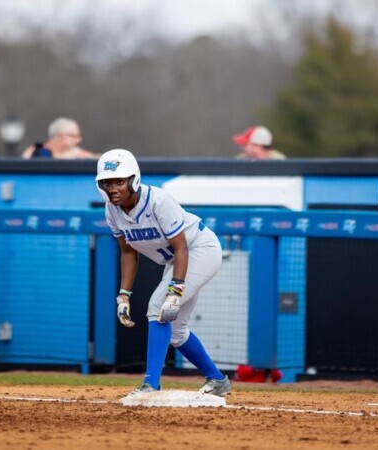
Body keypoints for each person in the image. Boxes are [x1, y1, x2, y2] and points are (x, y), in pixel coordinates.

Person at [96, 148, 231, 397]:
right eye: (106, 182)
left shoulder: (158, 200)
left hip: (199, 250)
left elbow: (181, 246)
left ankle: (151, 385)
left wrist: (175, 288)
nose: (112, 187)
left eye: (119, 181)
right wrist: (123, 295)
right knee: (176, 332)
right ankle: (217, 380)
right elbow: (128, 253)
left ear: (133, 180)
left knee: (159, 307)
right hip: (177, 260)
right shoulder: (111, 210)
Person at [21, 117, 97, 159]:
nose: (79, 140)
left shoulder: (77, 153)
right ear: (62, 138)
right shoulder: (36, 152)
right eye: (74, 136)